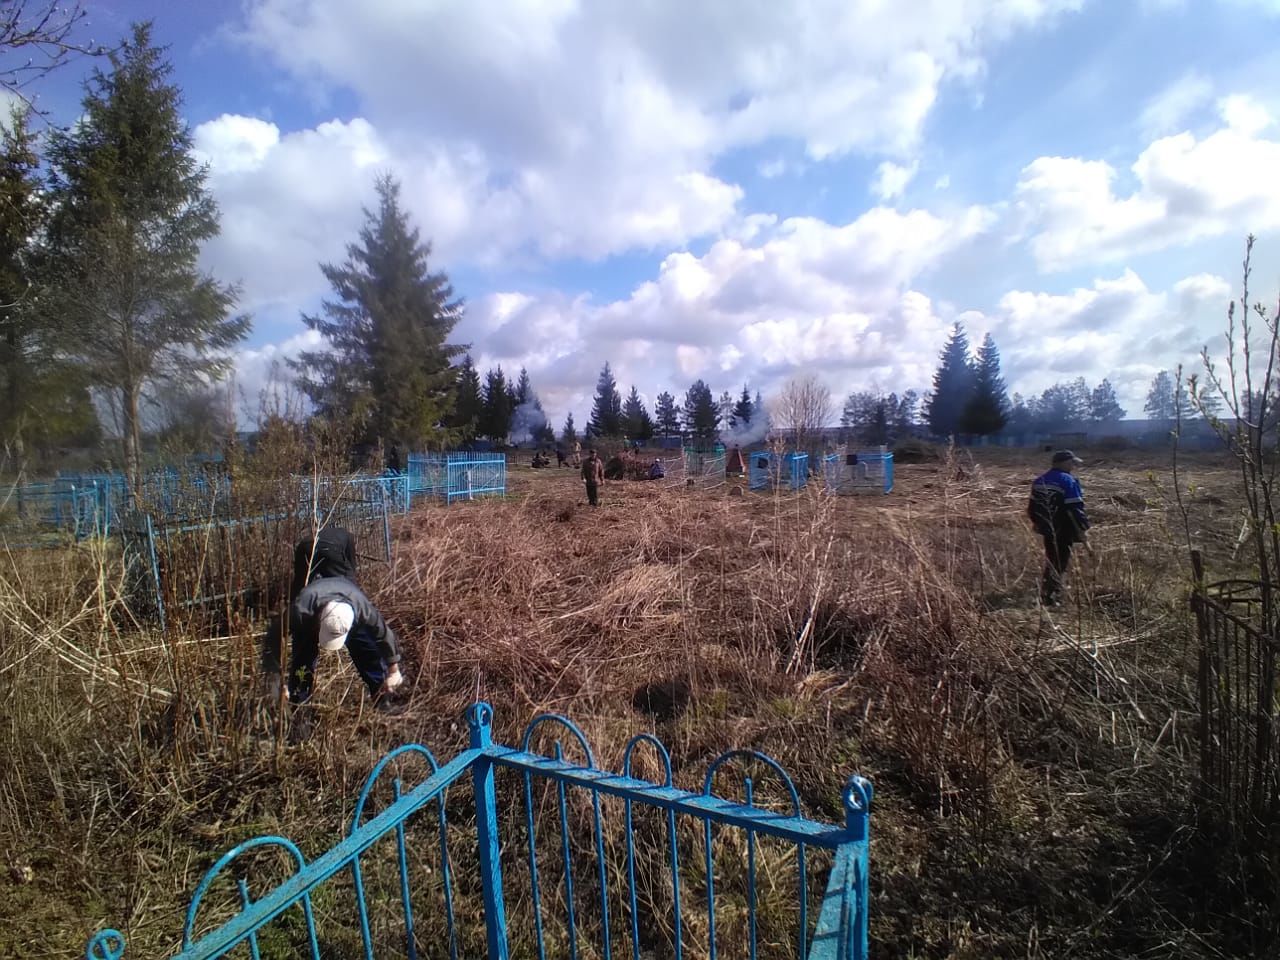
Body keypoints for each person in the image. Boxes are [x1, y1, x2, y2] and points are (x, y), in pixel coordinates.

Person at [283, 575, 404, 710]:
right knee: (302, 660)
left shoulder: (361, 607)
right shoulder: (301, 610)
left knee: (368, 652)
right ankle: (299, 706)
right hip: (312, 612)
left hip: (347, 597)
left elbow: (383, 633)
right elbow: (276, 637)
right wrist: (277, 679)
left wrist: (394, 670)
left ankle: (382, 697)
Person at [264, 527, 360, 684]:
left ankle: (300, 688)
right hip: (329, 549)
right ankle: (380, 690)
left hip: (305, 546)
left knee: (303, 635)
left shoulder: (300, 607)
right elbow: (350, 573)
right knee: (346, 595)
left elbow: (300, 583)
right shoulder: (347, 537)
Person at [1028, 450, 1092, 607]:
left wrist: (1038, 523)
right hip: (1065, 528)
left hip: (1047, 529)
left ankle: (1047, 591)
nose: (1073, 466)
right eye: (1071, 463)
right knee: (1061, 561)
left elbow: (1032, 508)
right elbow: (1075, 508)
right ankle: (1052, 597)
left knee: (1051, 558)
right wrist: (1083, 528)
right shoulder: (1068, 481)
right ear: (1062, 463)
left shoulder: (1039, 481)